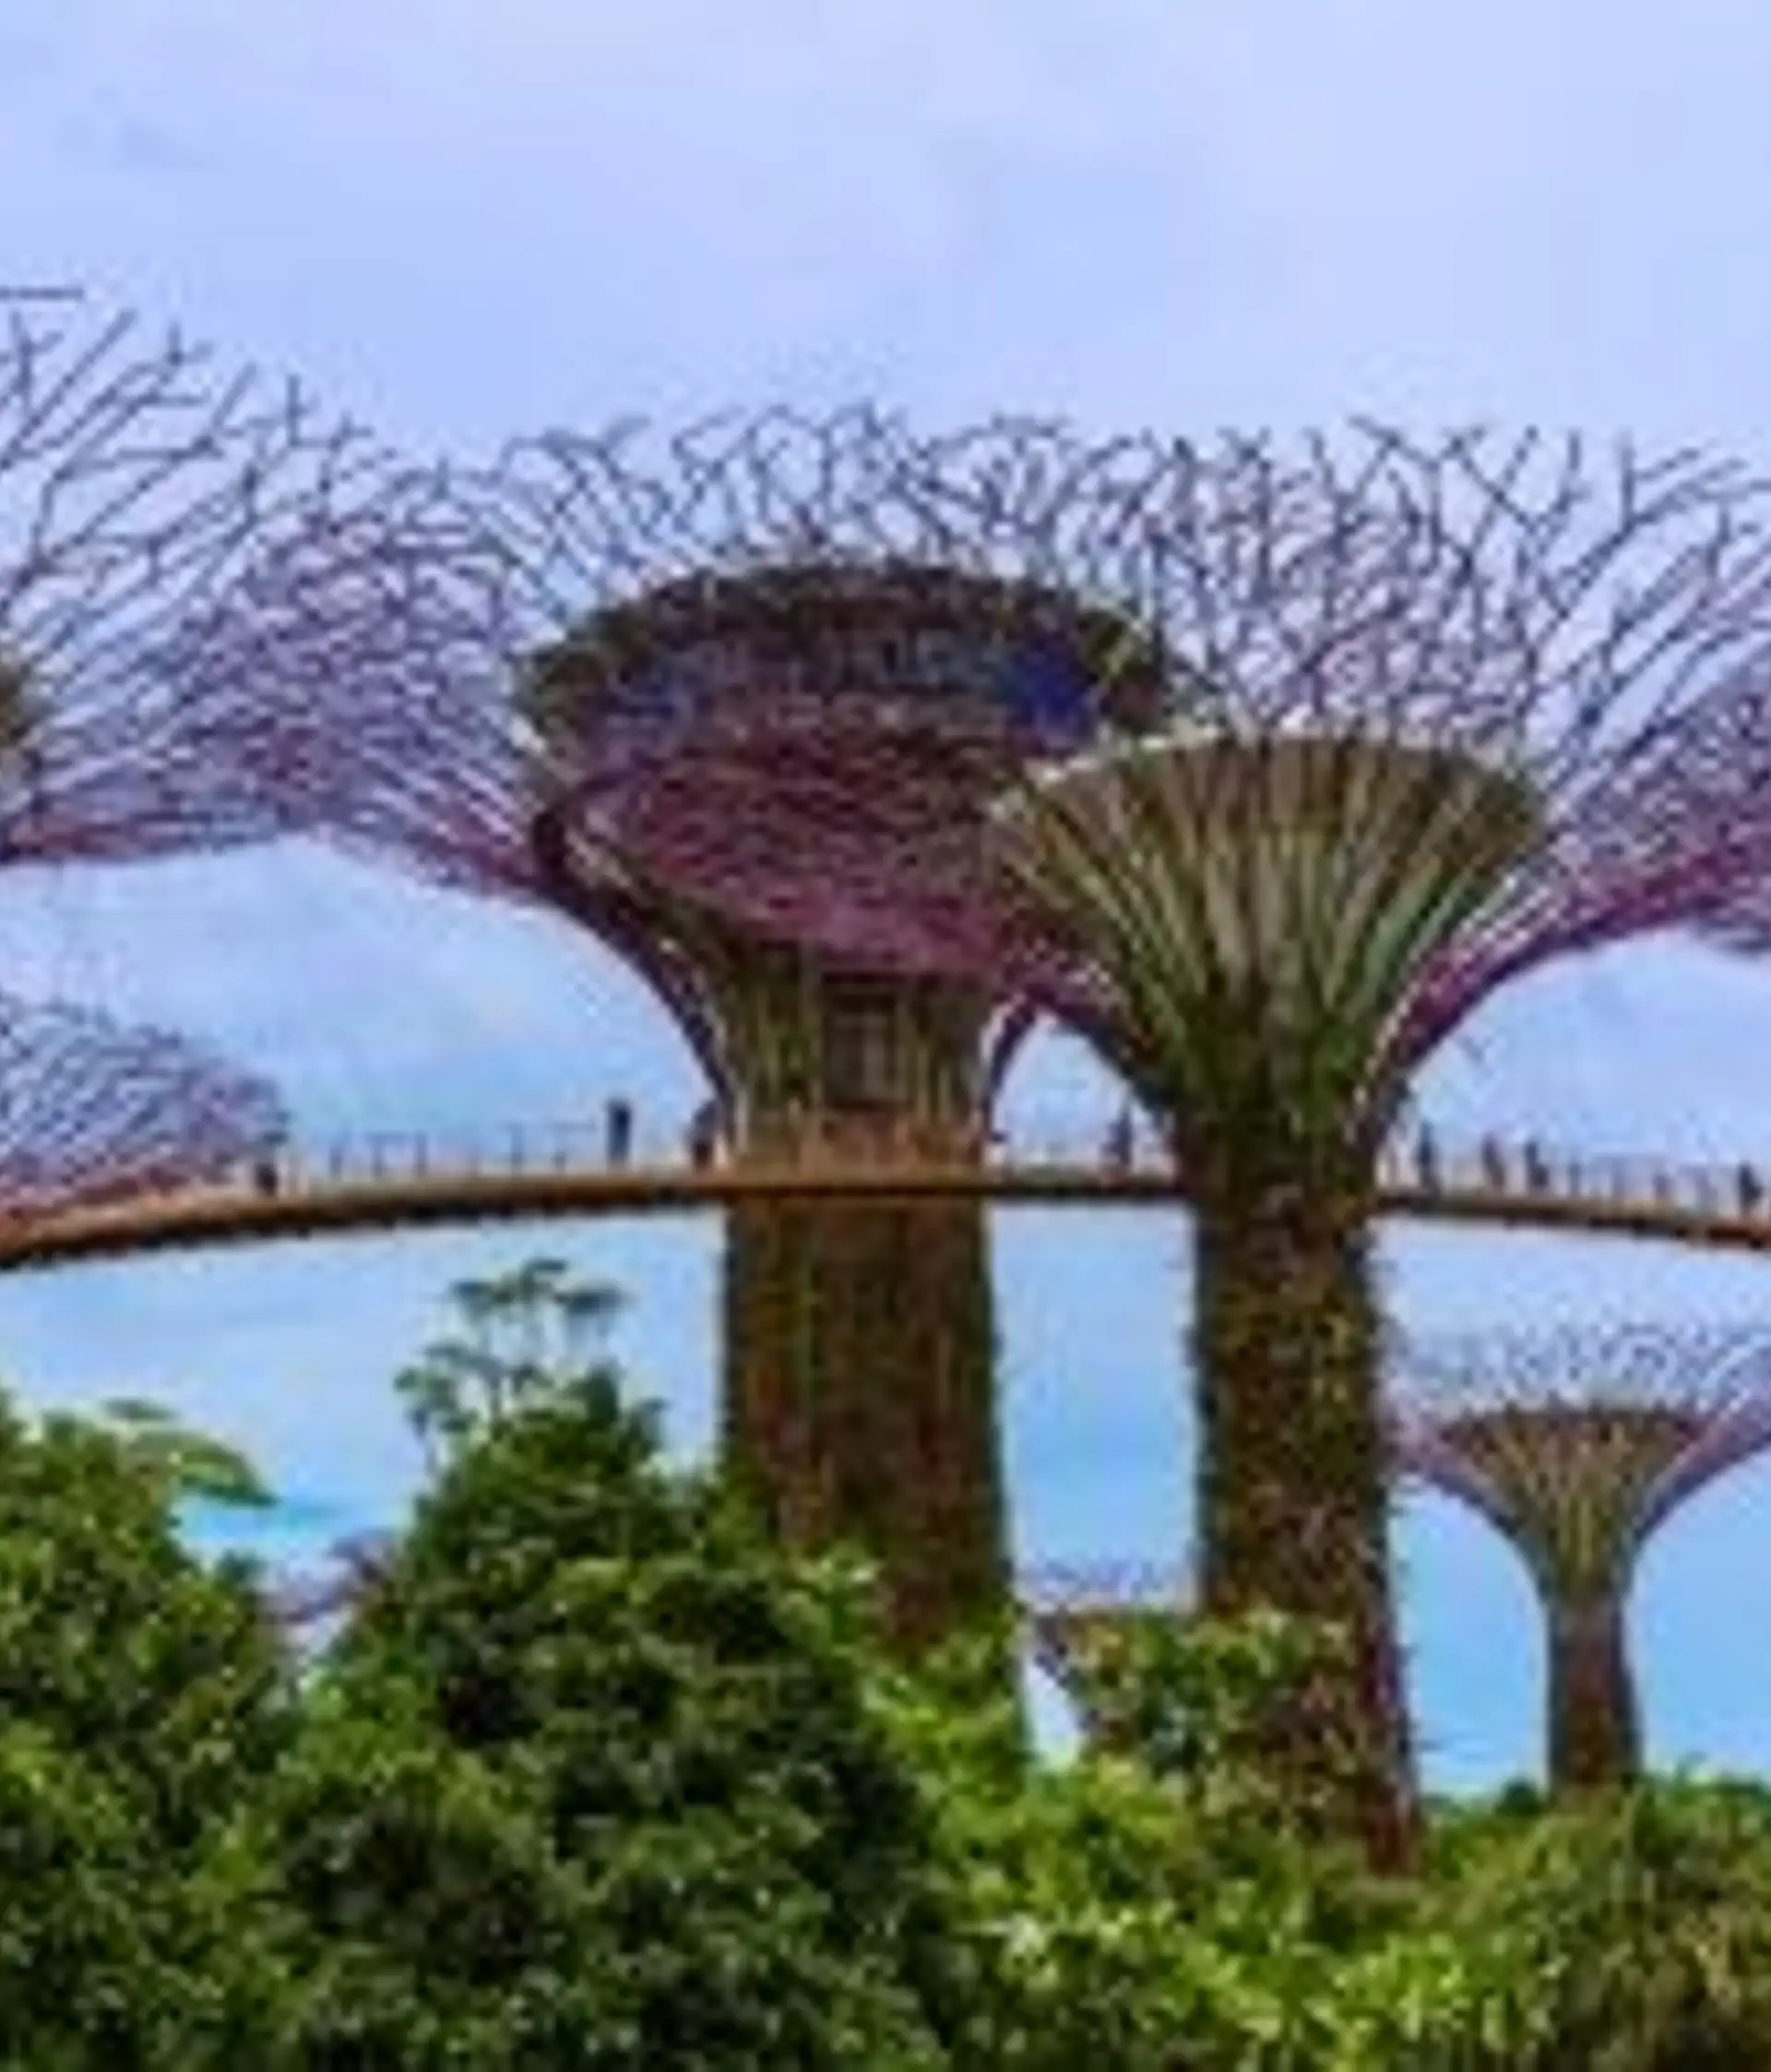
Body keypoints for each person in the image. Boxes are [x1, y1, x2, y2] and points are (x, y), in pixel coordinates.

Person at [1103, 1106, 1135, 1174]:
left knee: (1124, 1162)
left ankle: (1119, 1169)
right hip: (1121, 1146)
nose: (1123, 1117)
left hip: (1123, 1147)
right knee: (1106, 1149)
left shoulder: (1125, 1125)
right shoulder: (1124, 1124)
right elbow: (1114, 1127)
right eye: (1123, 1115)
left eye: (1124, 1116)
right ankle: (1115, 1168)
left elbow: (1127, 1137)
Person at [605, 1095, 634, 1168]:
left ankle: (619, 1161)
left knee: (619, 1140)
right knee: (618, 1140)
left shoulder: (620, 1113)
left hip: (620, 1117)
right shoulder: (621, 1113)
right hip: (620, 1117)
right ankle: (618, 1161)